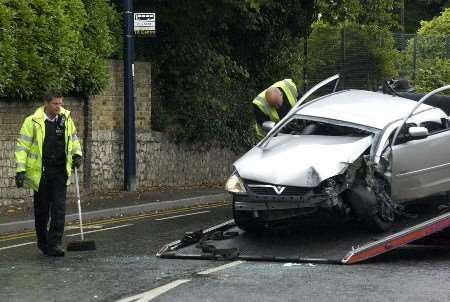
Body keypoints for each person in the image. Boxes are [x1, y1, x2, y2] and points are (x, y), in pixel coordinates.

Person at [15, 91, 82, 257]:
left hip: (60, 172)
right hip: (41, 174)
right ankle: (43, 242)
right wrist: (20, 171)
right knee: (42, 211)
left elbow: (73, 139)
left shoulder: (66, 119)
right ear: (46, 103)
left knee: (59, 209)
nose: (59, 107)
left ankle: (55, 244)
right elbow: (22, 147)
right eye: (55, 104)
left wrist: (77, 155)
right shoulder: (32, 122)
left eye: (60, 103)